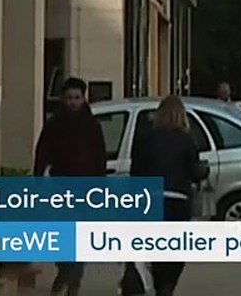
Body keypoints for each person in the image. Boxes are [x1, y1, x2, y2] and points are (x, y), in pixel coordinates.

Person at [121, 96, 209, 296]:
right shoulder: (186, 140)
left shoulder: (145, 138)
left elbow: (136, 173)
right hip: (177, 201)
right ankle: (165, 287)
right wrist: (203, 173)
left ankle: (143, 283)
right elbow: (194, 171)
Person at [33, 77, 106, 296]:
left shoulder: (92, 126)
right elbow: (42, 152)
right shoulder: (55, 124)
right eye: (69, 98)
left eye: (77, 98)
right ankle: (64, 269)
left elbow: (99, 158)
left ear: (84, 98)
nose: (73, 103)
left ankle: (74, 281)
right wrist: (38, 180)